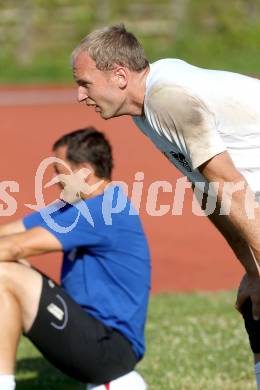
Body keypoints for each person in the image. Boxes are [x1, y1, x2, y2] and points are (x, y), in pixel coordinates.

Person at [71, 24, 260, 388]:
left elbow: (228, 184)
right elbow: (208, 189)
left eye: (85, 83)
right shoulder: (147, 111)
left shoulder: (166, 97)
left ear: (120, 76)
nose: (80, 95)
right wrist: (252, 270)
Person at [0, 127, 150, 390]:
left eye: (59, 171)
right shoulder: (75, 205)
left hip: (109, 348)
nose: (55, 180)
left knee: (5, 273)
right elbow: (7, 233)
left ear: (84, 171)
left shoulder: (104, 210)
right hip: (91, 337)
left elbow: (14, 247)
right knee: (8, 269)